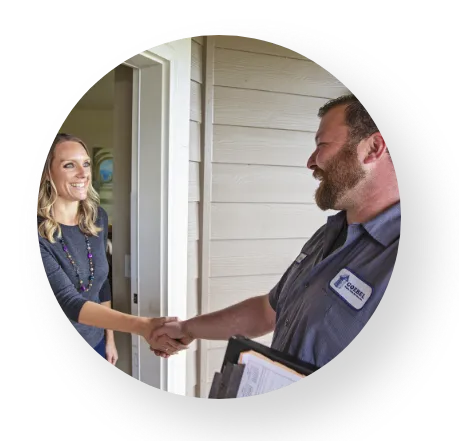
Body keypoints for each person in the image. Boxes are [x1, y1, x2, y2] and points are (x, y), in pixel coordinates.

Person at [149, 94, 401, 368]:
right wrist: (187, 329)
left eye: (322, 145)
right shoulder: (329, 234)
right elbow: (267, 312)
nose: (311, 162)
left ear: (373, 147)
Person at [36, 133, 182, 363]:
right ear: (46, 173)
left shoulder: (96, 218)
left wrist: (109, 339)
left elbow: (101, 282)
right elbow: (69, 301)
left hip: (94, 341)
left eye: (86, 163)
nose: (83, 174)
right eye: (69, 165)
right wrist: (143, 326)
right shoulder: (34, 235)